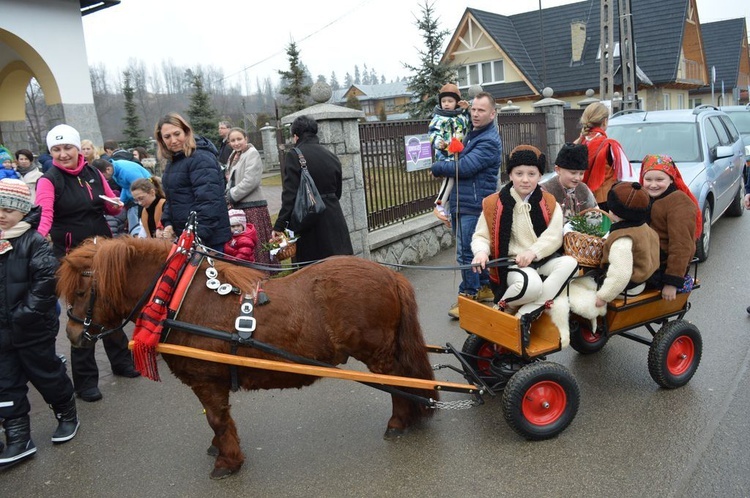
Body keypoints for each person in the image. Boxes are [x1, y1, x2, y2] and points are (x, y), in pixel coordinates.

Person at [36, 124, 139, 403]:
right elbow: (44, 215)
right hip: (73, 258)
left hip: (103, 251)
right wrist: (35, 238)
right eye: (56, 149)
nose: (63, 153)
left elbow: (109, 204)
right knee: (82, 313)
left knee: (112, 305)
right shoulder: (49, 180)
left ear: (76, 148)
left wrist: (116, 204)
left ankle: (122, 362)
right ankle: (85, 381)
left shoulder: (93, 173)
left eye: (67, 147)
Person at [0, 180, 80, 468]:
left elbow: (47, 283)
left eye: (8, 209)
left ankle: (66, 412)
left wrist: (24, 313)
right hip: (2, 333)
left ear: (22, 211)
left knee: (46, 374)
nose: (2, 215)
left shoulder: (34, 242)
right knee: (6, 383)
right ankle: (18, 436)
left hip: (32, 327)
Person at [471, 145, 579, 316]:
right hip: (513, 264)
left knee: (571, 264)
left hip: (541, 259)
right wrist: (481, 252)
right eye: (519, 173)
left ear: (540, 175)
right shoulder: (493, 203)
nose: (525, 180)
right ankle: (501, 308)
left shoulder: (549, 202)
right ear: (510, 174)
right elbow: (481, 236)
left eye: (531, 174)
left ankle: (526, 314)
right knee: (532, 285)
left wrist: (533, 252)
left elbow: (554, 237)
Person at [430, 91, 501, 318]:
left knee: (466, 254)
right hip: (468, 201)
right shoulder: (474, 133)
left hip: (473, 205)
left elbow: (465, 167)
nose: (476, 114)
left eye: (481, 110)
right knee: (476, 252)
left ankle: (469, 297)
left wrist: (437, 167)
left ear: (492, 114)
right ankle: (485, 287)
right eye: (474, 110)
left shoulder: (488, 140)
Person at [272, 115, 354, 262]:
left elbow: (290, 195)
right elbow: (338, 192)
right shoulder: (330, 155)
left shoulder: (294, 155)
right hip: (334, 217)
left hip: (310, 222)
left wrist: (279, 226)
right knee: (339, 267)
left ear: (296, 136)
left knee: (314, 273)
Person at [154, 113, 231, 252]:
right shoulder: (174, 161)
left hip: (207, 239)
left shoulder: (200, 158)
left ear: (186, 131)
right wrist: (168, 223)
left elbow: (209, 201)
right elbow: (172, 198)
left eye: (177, 134)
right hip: (186, 237)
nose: (173, 140)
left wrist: (198, 237)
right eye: (167, 137)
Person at [639, 154, 701, 301]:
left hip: (661, 269)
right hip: (646, 260)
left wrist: (671, 282)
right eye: (648, 179)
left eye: (659, 179)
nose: (653, 184)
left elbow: (682, 245)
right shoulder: (646, 197)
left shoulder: (679, 202)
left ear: (671, 179)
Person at [593, 181, 660, 307]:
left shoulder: (622, 239)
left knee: (576, 289)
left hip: (628, 288)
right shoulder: (645, 228)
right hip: (643, 279)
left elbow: (620, 275)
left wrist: (603, 297)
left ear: (615, 212)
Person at [225, 127, 275, 267]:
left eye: (239, 139)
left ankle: (262, 270)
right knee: (243, 242)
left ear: (246, 139)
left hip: (252, 205)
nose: (236, 143)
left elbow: (250, 181)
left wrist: (230, 196)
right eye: (233, 140)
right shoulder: (234, 156)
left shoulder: (251, 153)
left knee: (255, 241)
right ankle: (250, 269)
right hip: (240, 206)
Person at [575, 102, 633, 210]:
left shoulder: (578, 144)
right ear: (605, 121)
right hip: (605, 202)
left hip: (580, 201)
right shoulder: (610, 145)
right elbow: (626, 177)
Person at [429, 83, 470, 219]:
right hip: (445, 154)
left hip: (459, 154)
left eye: (450, 101)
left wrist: (467, 109)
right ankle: (439, 204)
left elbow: (470, 125)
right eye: (444, 101)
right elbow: (433, 133)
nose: (446, 104)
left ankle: (445, 210)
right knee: (450, 177)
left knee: (454, 182)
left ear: (457, 102)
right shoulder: (438, 118)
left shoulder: (461, 117)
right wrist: (438, 142)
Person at [540, 143, 598, 222]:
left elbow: (595, 216)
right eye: (573, 173)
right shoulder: (545, 191)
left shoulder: (583, 189)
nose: (577, 178)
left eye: (581, 173)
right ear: (558, 170)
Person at [92, 157, 151, 235]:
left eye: (102, 176)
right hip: (134, 199)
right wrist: (121, 202)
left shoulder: (128, 172)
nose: (102, 179)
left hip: (141, 200)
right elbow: (126, 186)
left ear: (108, 169)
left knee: (135, 228)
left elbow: (141, 189)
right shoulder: (115, 171)